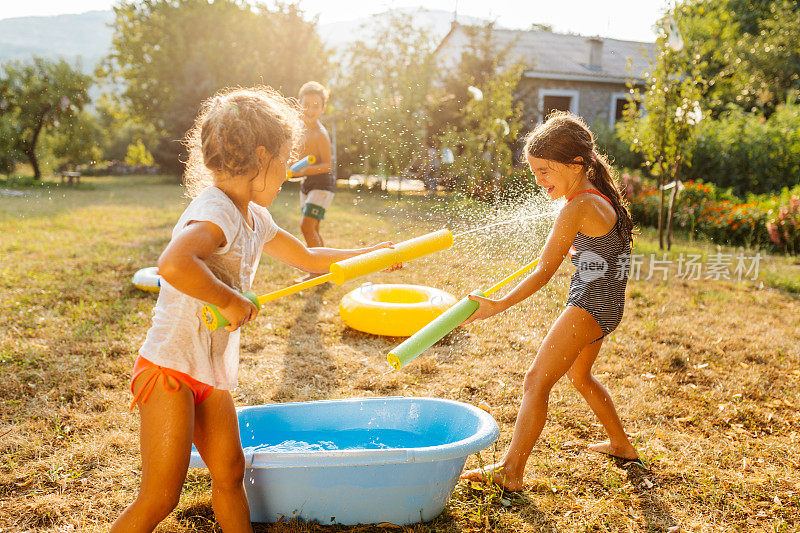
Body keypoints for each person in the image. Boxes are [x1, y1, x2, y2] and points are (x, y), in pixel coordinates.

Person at [111, 87, 392, 533]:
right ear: (261, 157)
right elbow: (174, 262)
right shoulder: (216, 210)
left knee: (229, 474)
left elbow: (307, 257)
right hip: (169, 369)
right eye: (285, 159)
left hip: (208, 372)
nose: (290, 172)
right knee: (162, 496)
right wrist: (227, 298)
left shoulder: (254, 217)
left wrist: (372, 254)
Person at [460, 111, 639, 492]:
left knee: (535, 382)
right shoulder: (599, 194)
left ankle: (511, 471)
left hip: (589, 304)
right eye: (534, 172)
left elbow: (543, 271)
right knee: (579, 375)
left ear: (576, 164)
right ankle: (621, 444)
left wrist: (497, 305)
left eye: (544, 171)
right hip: (608, 306)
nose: (539, 181)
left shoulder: (578, 206)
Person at [290, 82, 334, 284]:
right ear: (299, 105)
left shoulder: (320, 134)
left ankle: (317, 273)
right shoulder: (301, 131)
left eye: (316, 105)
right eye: (306, 104)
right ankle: (325, 271)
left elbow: (327, 165)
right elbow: (298, 158)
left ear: (322, 109)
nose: (310, 109)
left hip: (323, 184)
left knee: (306, 227)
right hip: (308, 183)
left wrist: (305, 170)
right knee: (312, 229)